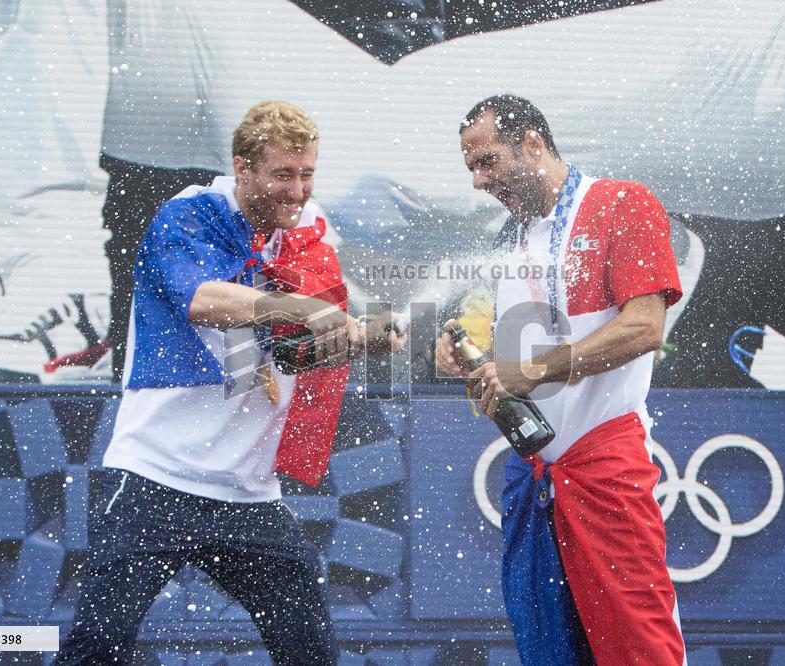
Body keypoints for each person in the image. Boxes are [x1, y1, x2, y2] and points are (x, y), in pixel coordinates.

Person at [53, 101, 405, 665]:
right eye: (282, 175)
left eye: (307, 173)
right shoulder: (189, 213)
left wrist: (367, 335)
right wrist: (301, 307)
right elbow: (202, 300)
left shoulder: (309, 236)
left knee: (310, 652)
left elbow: (298, 347)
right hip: (155, 477)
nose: (297, 191)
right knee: (96, 648)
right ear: (243, 168)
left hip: (249, 493)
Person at [436, 94, 685, 665]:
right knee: (546, 650)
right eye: (471, 167)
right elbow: (492, 332)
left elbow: (645, 327)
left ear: (532, 144)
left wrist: (529, 371)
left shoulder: (621, 202)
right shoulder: (508, 237)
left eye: (488, 162)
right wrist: (457, 352)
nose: (478, 181)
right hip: (533, 474)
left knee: (640, 649)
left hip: (606, 465)